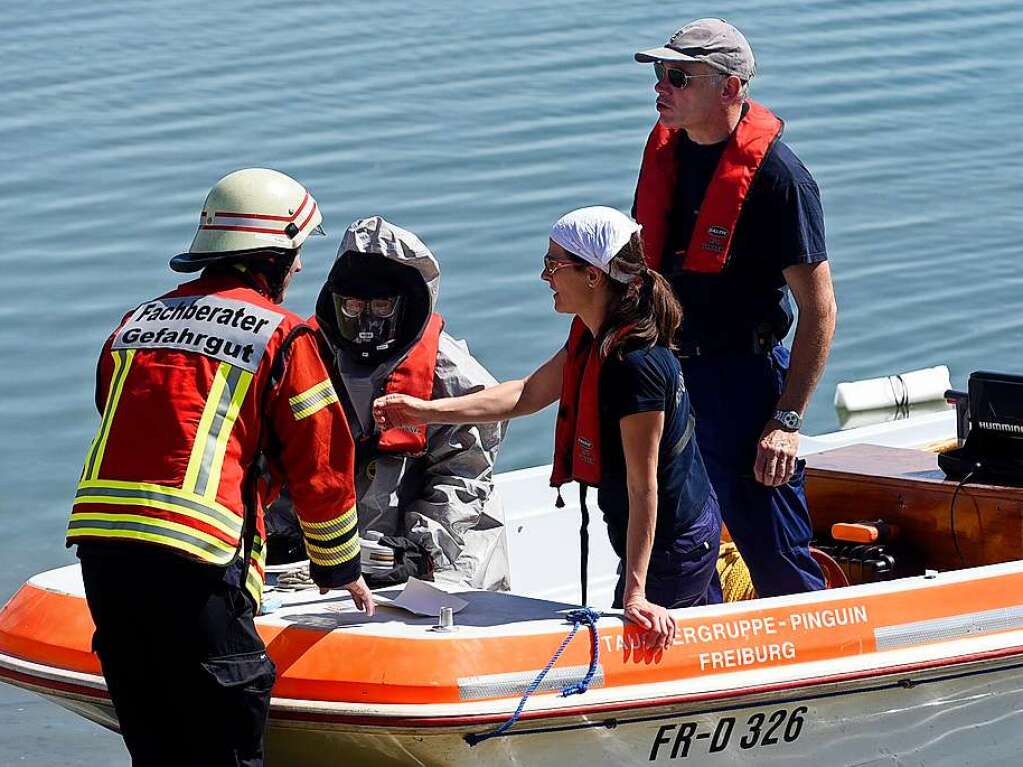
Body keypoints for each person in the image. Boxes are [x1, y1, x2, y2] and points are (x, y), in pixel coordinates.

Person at [65, 168, 374, 767]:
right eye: (296, 253)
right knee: (225, 738)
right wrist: (339, 569)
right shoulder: (285, 335)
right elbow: (323, 464)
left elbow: (118, 412)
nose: (301, 268)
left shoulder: (134, 324)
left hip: (103, 557)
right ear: (271, 257)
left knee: (155, 741)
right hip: (197, 563)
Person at [374, 207, 722, 648]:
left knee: (644, 643)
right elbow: (526, 394)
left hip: (674, 541)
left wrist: (636, 593)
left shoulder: (636, 366)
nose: (545, 277)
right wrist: (425, 412)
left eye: (553, 265)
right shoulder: (592, 334)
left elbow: (643, 485)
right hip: (655, 532)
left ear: (593, 275)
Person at [632, 18, 837, 597]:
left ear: (729, 88)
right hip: (672, 375)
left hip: (744, 386)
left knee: (774, 552)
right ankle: (704, 662)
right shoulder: (668, 154)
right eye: (658, 73)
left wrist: (787, 421)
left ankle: (815, 664)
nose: (660, 87)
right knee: (680, 544)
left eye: (678, 76)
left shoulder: (780, 180)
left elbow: (819, 310)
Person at [269, 216, 509, 590]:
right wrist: (283, 534)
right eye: (351, 306)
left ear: (408, 304)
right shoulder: (299, 355)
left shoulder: (458, 379)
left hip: (437, 552)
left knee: (456, 572)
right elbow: (278, 459)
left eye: (381, 307)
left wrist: (419, 551)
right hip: (321, 553)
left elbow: (463, 477)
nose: (365, 320)